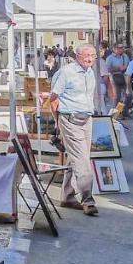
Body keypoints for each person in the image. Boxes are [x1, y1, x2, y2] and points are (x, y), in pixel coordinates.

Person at [45, 43, 100, 217]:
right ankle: (87, 200)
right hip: (70, 119)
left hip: (86, 119)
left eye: (92, 55)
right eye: (86, 56)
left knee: (76, 157)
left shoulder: (89, 72)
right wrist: (57, 122)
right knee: (83, 161)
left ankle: (67, 196)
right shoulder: (66, 72)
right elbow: (53, 99)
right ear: (77, 56)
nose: (90, 59)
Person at [105, 42, 131, 114]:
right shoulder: (110, 58)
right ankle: (116, 113)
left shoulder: (125, 56)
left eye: (122, 48)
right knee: (117, 96)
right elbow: (107, 69)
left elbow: (128, 66)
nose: (121, 49)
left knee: (128, 95)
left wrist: (126, 68)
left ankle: (125, 112)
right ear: (114, 49)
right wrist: (118, 68)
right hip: (115, 77)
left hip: (125, 77)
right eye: (119, 48)